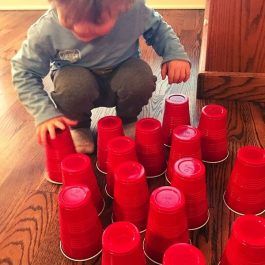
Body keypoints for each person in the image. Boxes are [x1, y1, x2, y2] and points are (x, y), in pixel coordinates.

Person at [11, 0, 191, 154]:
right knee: (72, 88)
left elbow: (158, 28)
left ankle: (128, 120)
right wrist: (44, 113)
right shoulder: (46, 29)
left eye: (97, 21)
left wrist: (174, 54)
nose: (80, 28)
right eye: (69, 19)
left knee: (139, 79)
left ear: (123, 6)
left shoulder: (134, 10)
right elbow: (24, 71)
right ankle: (79, 126)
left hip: (122, 71)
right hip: (76, 79)